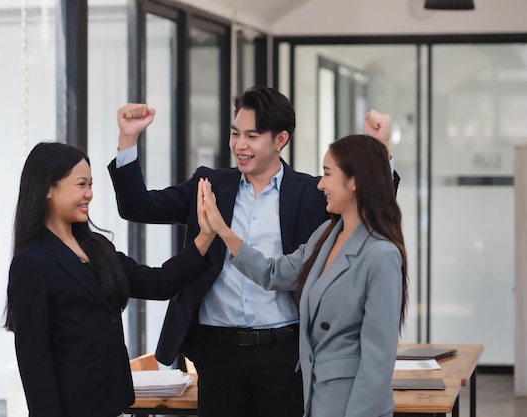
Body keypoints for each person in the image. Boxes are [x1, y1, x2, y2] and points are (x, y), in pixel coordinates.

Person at [108, 86, 398, 417]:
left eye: (252, 135)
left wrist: (380, 150)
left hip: (285, 353)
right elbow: (138, 206)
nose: (239, 145)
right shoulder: (210, 186)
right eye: (235, 134)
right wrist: (127, 141)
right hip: (216, 351)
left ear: (280, 140)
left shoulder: (313, 192)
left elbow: (373, 203)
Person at [198, 133, 408, 417]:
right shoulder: (327, 234)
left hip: (351, 404)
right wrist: (222, 230)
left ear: (355, 180)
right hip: (315, 395)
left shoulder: (381, 255)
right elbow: (275, 273)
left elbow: (378, 360)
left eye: (327, 174)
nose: (320, 184)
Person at [3, 142, 214, 417]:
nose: (89, 194)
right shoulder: (31, 263)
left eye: (91, 185)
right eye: (81, 185)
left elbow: (158, 283)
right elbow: (34, 362)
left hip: (113, 403)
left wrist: (205, 238)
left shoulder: (97, 246)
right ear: (48, 189)